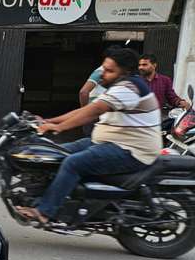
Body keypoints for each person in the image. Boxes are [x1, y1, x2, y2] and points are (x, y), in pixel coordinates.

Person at [18, 48, 162, 223]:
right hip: (108, 142)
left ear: (126, 72)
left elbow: (93, 111)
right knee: (54, 153)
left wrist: (59, 127)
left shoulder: (129, 88)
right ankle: (55, 198)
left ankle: (45, 211)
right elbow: (86, 109)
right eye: (104, 69)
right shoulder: (120, 85)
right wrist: (49, 121)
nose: (103, 75)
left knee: (73, 163)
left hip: (132, 151)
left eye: (110, 71)